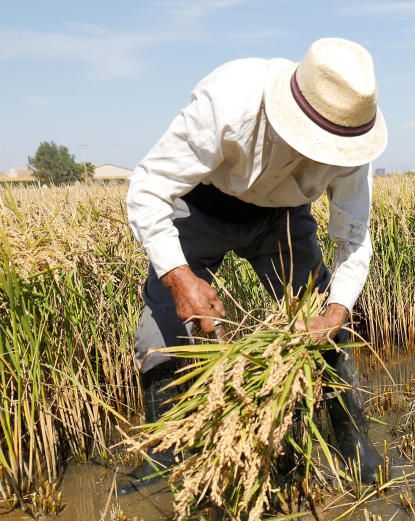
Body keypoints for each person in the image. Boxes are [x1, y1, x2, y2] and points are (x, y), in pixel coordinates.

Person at [125, 38, 387, 488]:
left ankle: (351, 438)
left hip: (283, 219)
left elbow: (355, 238)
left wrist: (336, 312)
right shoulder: (228, 101)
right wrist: (180, 277)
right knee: (160, 327)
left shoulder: (351, 139)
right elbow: (148, 189)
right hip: (202, 206)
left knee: (325, 318)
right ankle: (167, 450)